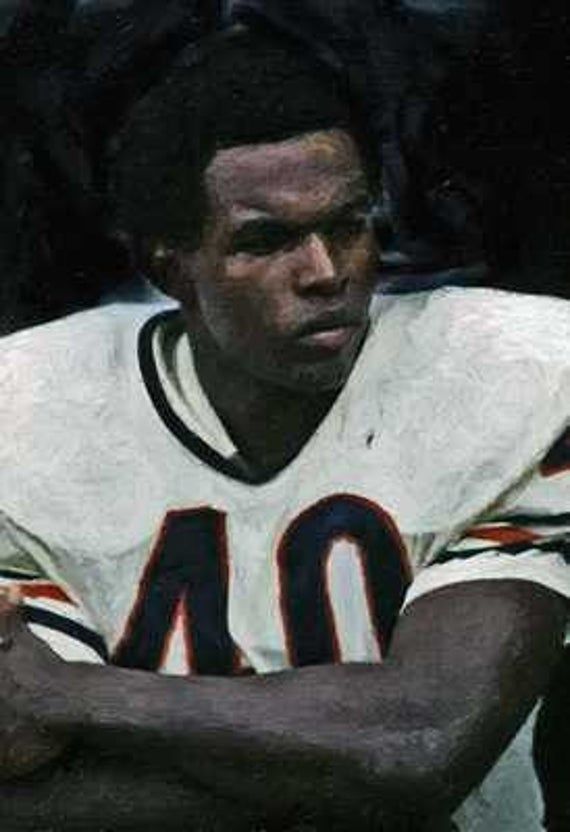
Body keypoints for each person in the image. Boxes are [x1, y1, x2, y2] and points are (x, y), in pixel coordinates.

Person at [0, 24, 568, 832]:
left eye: (347, 225)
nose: (327, 273)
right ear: (172, 270)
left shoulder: (500, 374)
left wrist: (71, 697)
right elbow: (27, 798)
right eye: (266, 242)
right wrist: (339, 761)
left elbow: (425, 741)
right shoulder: (29, 407)